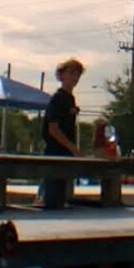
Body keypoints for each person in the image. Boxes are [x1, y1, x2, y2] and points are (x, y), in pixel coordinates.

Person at [40, 58, 83, 208]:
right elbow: (53, 129)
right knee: (52, 198)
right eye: (71, 73)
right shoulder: (58, 99)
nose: (75, 77)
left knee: (63, 197)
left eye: (77, 74)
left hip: (66, 155)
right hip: (55, 153)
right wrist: (72, 148)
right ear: (62, 75)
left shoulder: (70, 99)